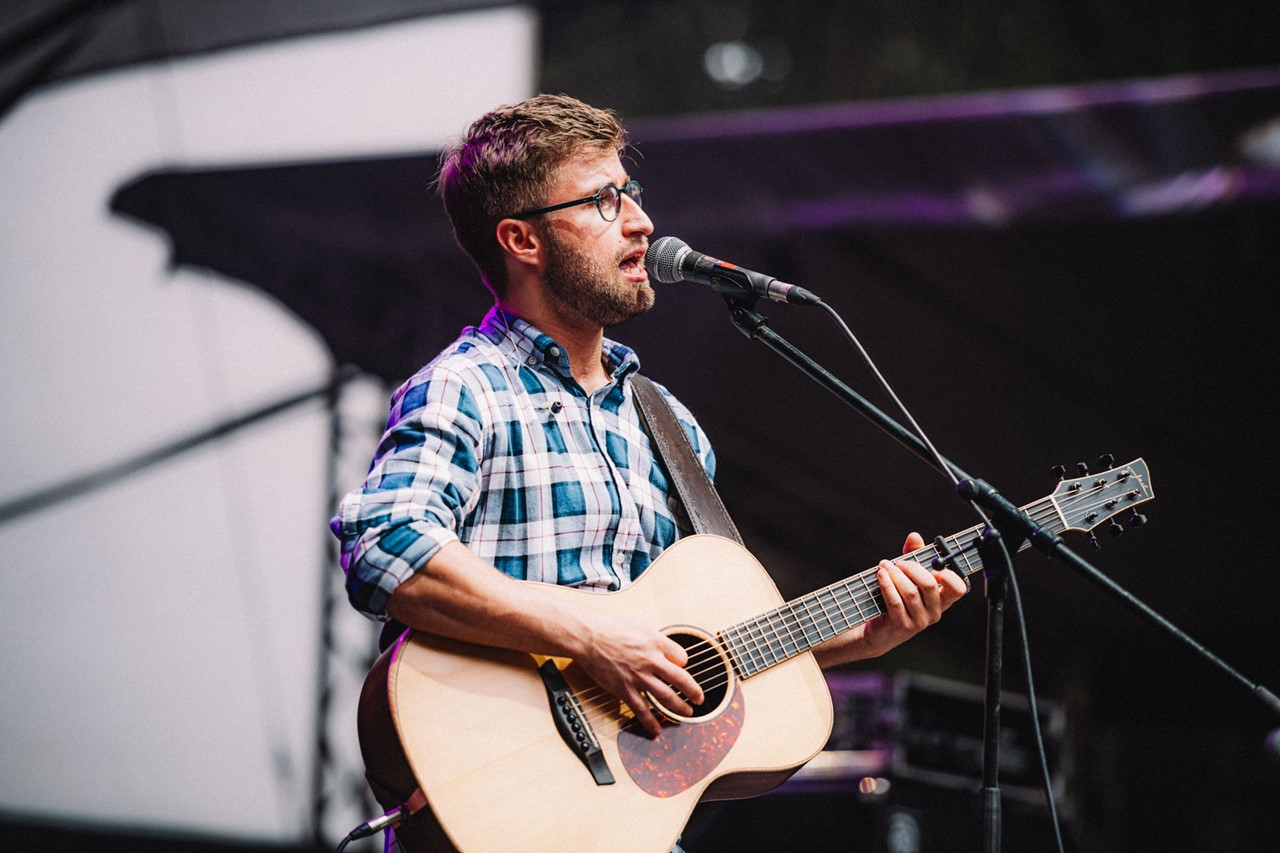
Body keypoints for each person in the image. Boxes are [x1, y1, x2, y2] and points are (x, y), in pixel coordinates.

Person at [330, 93, 967, 850]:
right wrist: (588, 634)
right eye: (603, 200)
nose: (640, 222)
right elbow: (384, 545)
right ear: (521, 239)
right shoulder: (466, 387)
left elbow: (695, 654)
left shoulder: (669, 426)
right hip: (501, 814)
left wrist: (853, 638)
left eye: (630, 192)